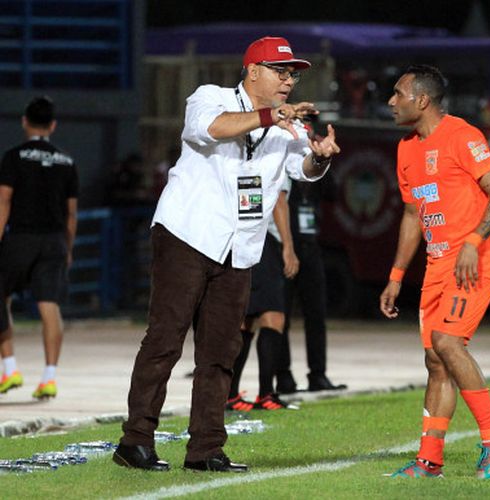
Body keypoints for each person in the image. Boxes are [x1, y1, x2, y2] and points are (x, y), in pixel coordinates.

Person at [112, 36, 340, 473]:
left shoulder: (289, 124)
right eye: (281, 71)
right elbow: (211, 129)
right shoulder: (209, 97)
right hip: (188, 234)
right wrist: (271, 117)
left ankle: (205, 449)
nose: (288, 81)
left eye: (292, 74)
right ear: (253, 70)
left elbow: (302, 170)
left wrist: (319, 158)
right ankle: (135, 440)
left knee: (221, 350)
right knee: (165, 339)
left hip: (241, 246)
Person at [379, 65, 490, 479]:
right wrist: (396, 275)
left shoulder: (462, 136)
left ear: (422, 100)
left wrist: (473, 241)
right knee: (435, 360)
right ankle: (429, 460)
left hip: (475, 259)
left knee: (448, 342)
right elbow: (412, 214)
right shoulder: (406, 149)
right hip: (439, 264)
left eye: (398, 93)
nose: (391, 101)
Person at [0, 96, 78, 400]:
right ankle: (49, 378)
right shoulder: (67, 161)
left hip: (20, 238)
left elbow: (4, 200)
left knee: (2, 297)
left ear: (24, 121)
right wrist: (68, 247)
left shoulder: (13, 157)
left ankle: (10, 368)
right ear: (53, 125)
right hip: (54, 240)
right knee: (50, 306)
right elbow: (72, 213)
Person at [225, 178, 301, 412]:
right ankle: (265, 394)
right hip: (263, 241)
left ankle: (230, 394)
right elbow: (278, 199)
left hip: (245, 237)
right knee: (273, 317)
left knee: (246, 319)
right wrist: (288, 246)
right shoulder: (278, 153)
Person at [277, 177, 347, 393]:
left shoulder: (316, 171)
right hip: (286, 247)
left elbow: (334, 192)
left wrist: (322, 162)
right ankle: (283, 376)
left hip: (311, 246)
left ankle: (318, 374)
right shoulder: (284, 170)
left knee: (316, 314)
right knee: (281, 316)